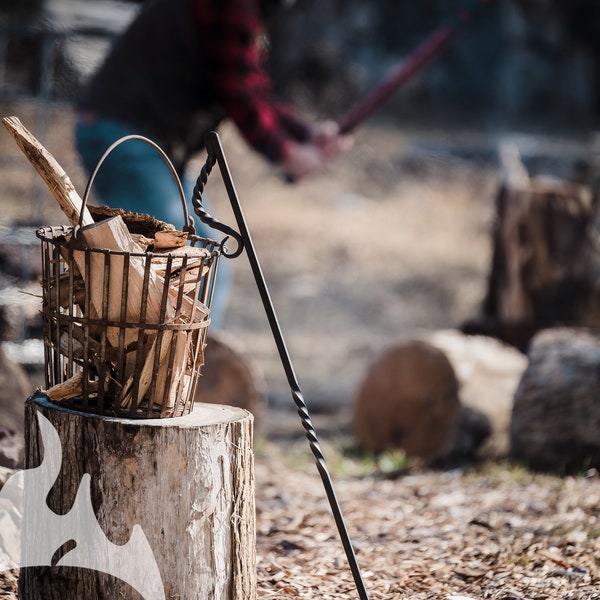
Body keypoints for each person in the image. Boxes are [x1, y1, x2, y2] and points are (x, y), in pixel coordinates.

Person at [74, 0, 350, 325]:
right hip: (124, 137)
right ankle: (174, 372)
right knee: (182, 271)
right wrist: (288, 153)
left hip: (151, 143)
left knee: (207, 263)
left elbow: (253, 88)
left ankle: (190, 370)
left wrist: (306, 134)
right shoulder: (233, 5)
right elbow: (239, 92)